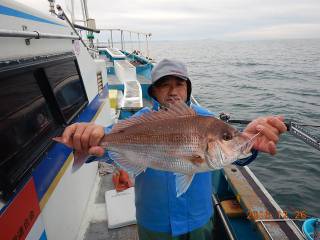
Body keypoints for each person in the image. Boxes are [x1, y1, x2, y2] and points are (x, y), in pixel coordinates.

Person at [60, 59, 287, 239]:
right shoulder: (140, 120)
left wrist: (249, 146)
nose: (173, 91)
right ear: (154, 92)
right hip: (154, 221)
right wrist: (89, 140)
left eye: (179, 83)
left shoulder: (208, 119)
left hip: (198, 218)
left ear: (187, 88)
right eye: (164, 84)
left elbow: (233, 158)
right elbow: (106, 147)